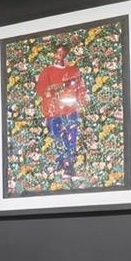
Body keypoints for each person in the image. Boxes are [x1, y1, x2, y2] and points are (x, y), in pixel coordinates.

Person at [34, 44, 86, 178]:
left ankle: (69, 166)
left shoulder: (74, 70)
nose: (61, 56)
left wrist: (81, 102)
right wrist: (56, 88)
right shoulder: (47, 71)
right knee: (57, 136)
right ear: (54, 55)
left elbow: (80, 88)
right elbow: (40, 91)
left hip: (70, 110)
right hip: (53, 111)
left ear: (68, 55)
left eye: (64, 53)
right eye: (58, 53)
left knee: (71, 137)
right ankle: (62, 163)